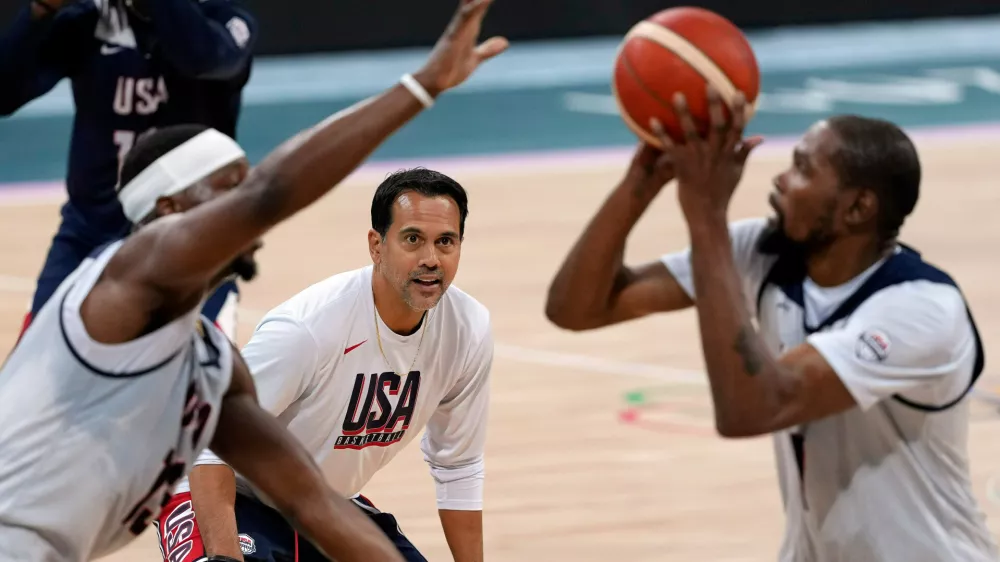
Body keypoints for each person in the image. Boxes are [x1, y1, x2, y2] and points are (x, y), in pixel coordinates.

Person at [0, 1, 508, 560]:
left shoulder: (215, 367)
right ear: (169, 211)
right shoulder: (125, 280)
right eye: (227, 193)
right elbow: (271, 194)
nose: (243, 214)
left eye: (242, 187)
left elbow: (309, 500)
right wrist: (421, 87)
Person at [544, 87, 1000, 561]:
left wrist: (706, 216)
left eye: (803, 168)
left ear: (858, 208)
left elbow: (752, 408)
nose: (782, 179)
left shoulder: (921, 310)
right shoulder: (762, 252)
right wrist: (641, 181)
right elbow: (575, 308)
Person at [162, 167, 494, 562]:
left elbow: (458, 466)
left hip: (322, 505)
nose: (430, 259)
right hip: (225, 491)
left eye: (445, 242)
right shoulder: (307, 329)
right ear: (376, 245)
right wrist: (225, 557)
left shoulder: (468, 329)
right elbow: (212, 439)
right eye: (412, 239)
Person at [0, 0, 257, 341]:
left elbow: (199, 58)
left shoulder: (226, 19)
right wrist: (40, 11)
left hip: (194, 241)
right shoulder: (88, 19)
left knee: (206, 378)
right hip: (91, 234)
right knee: (32, 377)